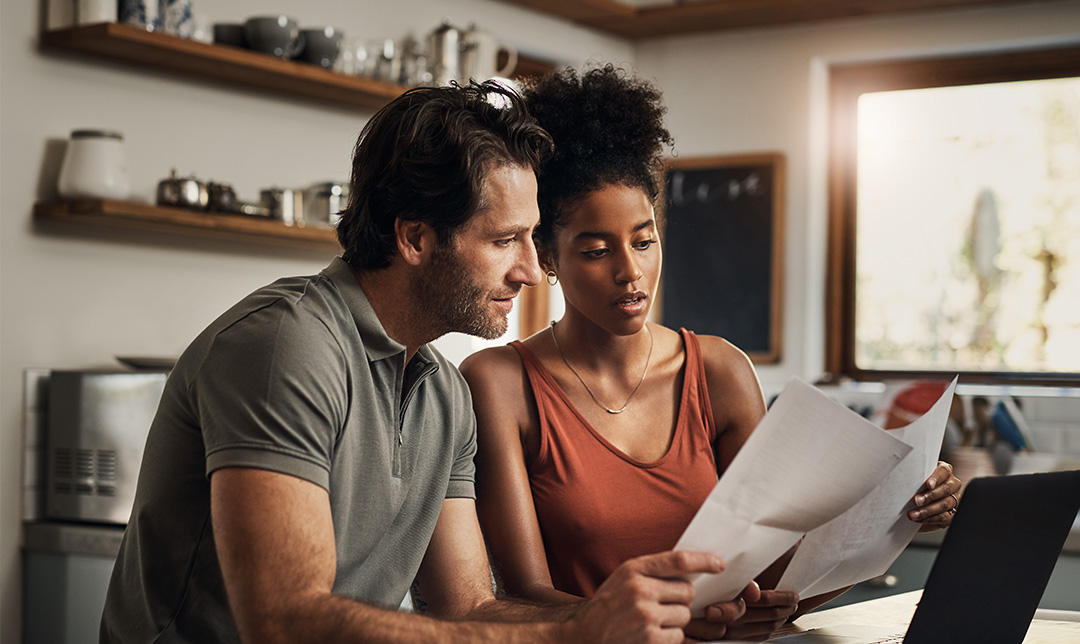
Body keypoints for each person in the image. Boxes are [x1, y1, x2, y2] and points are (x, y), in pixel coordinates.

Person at [99, 80, 751, 644]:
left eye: (531, 238)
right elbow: (285, 622)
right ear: (414, 236)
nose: (529, 269)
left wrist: (619, 619)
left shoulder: (441, 391)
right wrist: (576, 631)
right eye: (504, 241)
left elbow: (468, 609)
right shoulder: (287, 348)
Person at [459, 66, 963, 641]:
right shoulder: (499, 382)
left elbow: (777, 577)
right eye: (597, 250)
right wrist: (672, 622)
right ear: (546, 256)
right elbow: (525, 594)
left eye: (645, 241)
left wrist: (896, 517)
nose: (631, 272)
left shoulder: (719, 371)